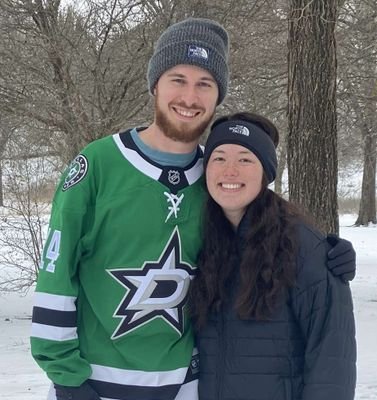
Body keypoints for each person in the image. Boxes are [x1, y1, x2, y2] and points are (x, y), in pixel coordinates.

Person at [30, 18, 356, 400]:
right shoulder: (98, 165)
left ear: (217, 97)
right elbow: (56, 276)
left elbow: (258, 231)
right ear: (154, 84)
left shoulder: (214, 176)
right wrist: (67, 376)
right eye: (178, 80)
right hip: (98, 385)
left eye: (205, 84)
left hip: (185, 387)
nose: (190, 97)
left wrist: (326, 251)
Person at [190, 112, 357, 400]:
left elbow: (332, 359)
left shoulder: (305, 248)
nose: (230, 171)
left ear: (265, 172)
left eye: (245, 159)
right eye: (219, 158)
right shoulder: (198, 238)